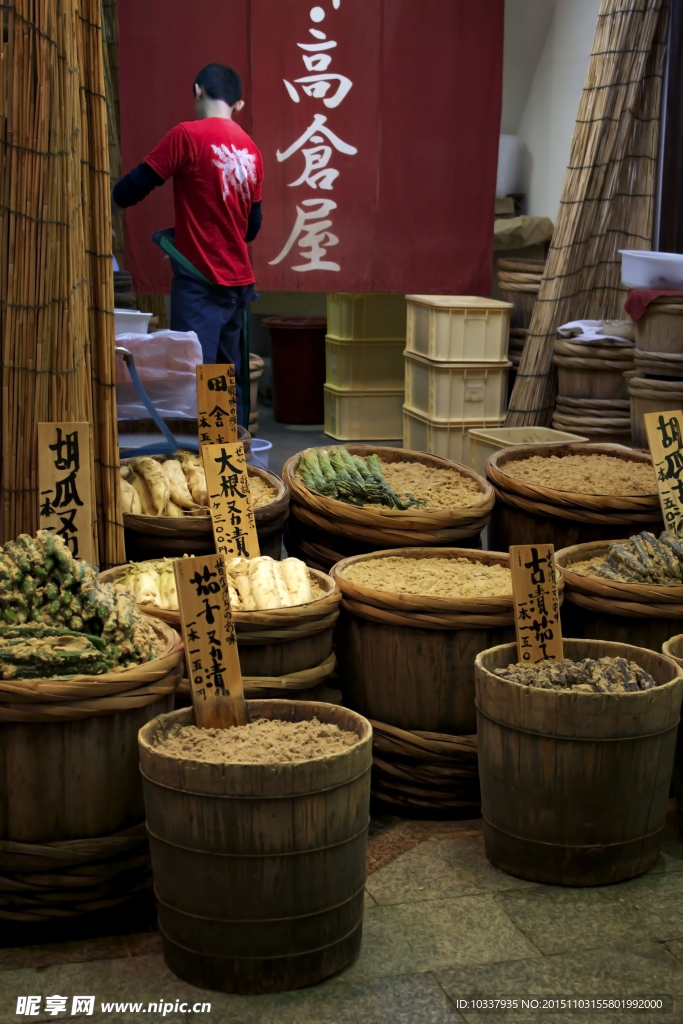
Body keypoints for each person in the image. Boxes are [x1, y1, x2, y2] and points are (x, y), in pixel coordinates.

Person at [112, 63, 263, 419]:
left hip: (201, 288)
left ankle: (199, 466)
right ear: (238, 105)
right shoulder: (252, 150)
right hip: (238, 287)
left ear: (197, 90)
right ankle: (229, 466)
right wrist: (185, 244)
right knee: (226, 384)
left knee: (194, 384)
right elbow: (250, 228)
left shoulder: (187, 136)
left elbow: (133, 187)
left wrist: (104, 206)